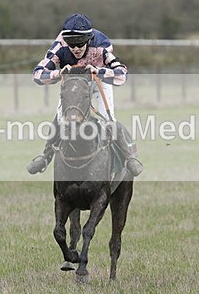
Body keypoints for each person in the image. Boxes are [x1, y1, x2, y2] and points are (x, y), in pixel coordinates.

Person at [27, 13, 143, 176]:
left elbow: (122, 74)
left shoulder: (102, 46)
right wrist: (58, 74)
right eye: (71, 45)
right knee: (60, 119)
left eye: (80, 44)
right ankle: (46, 156)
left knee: (108, 121)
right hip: (73, 86)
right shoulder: (59, 46)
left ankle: (127, 158)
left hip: (98, 83)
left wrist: (100, 71)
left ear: (89, 39)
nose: (75, 49)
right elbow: (38, 74)